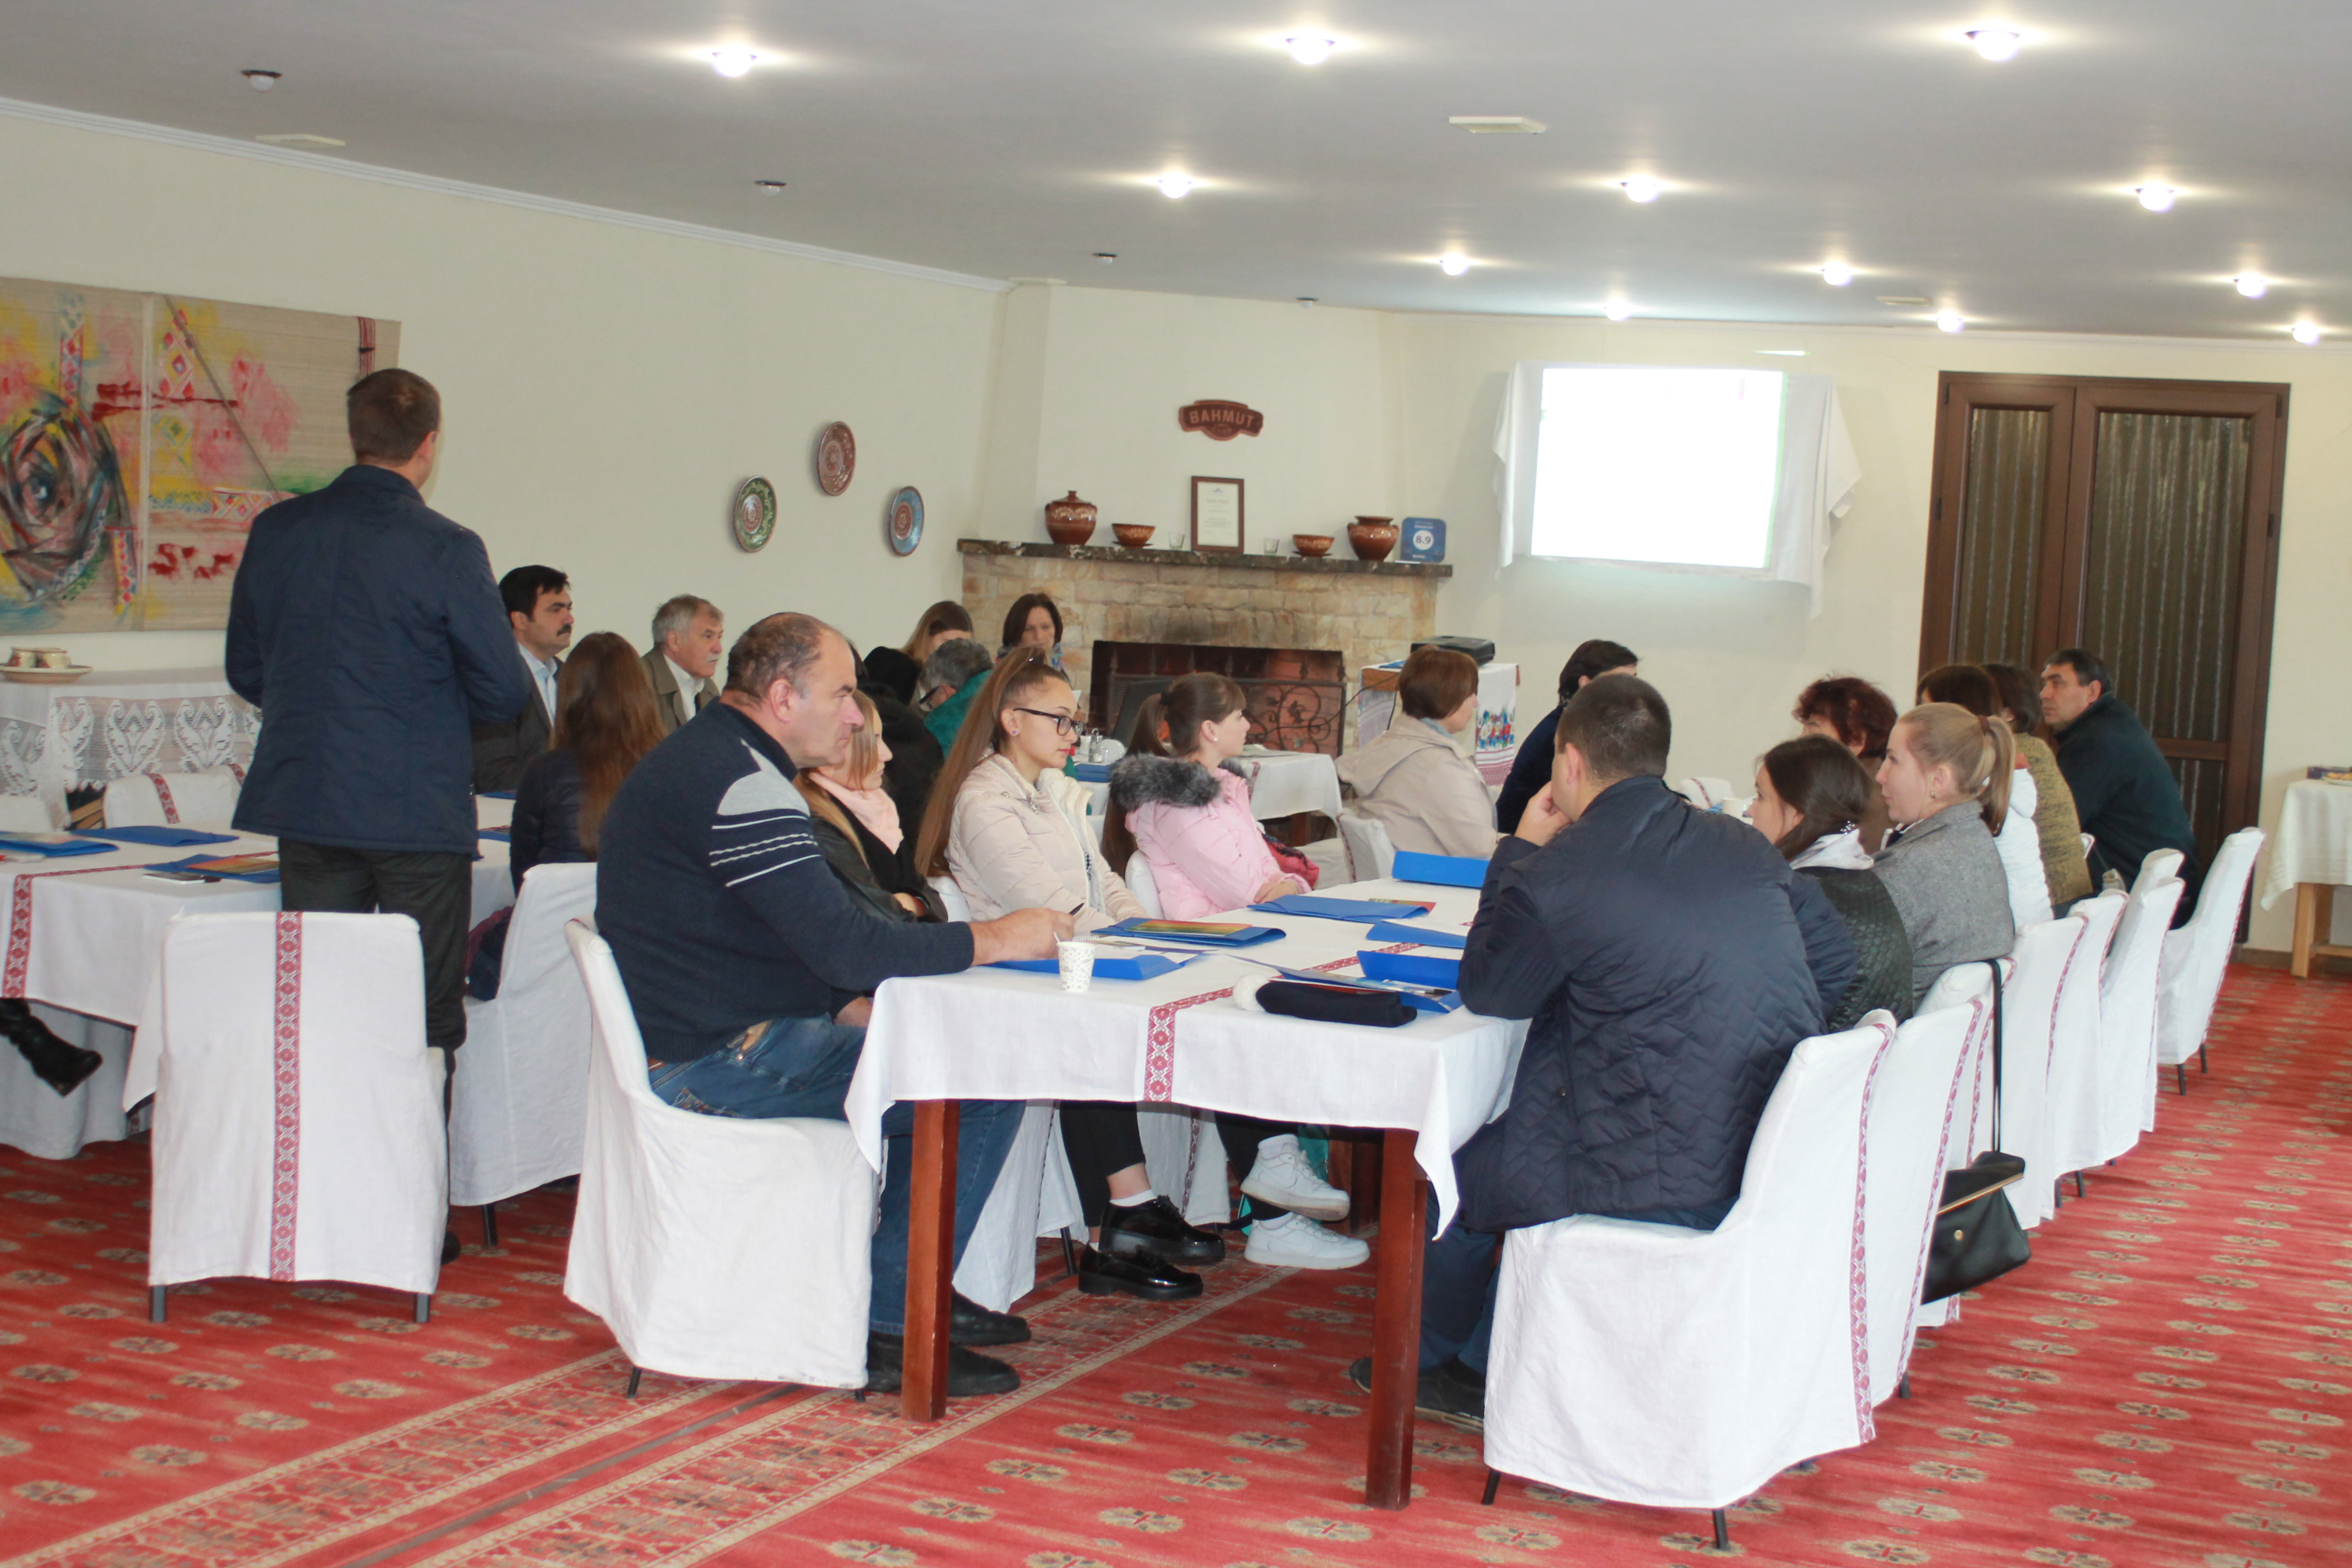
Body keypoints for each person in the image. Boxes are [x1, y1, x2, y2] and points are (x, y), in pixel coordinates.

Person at [1348, 674, 1857, 1428]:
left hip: (1652, 1156)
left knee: (1447, 1177)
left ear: (1571, 762)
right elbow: (1837, 962)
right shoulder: (1740, 842)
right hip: (1764, 1132)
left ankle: (1433, 1364)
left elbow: (1492, 989)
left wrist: (1518, 848)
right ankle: (1493, 1349)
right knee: (1516, 1138)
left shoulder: (1564, 866)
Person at [596, 613, 1069, 1398]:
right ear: (784, 697)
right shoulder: (744, 783)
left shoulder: (714, 757)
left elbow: (777, 935)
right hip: (712, 1060)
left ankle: (910, 1288)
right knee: (981, 1081)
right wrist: (999, 937)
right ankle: (891, 1319)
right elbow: (850, 948)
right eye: (843, 694)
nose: (856, 715)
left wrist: (843, 1003)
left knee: (953, 1064)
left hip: (710, 1034)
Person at [229, 366, 529, 1064]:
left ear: (354, 437)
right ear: (429, 443)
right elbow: (503, 690)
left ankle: (323, 1134)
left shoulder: (277, 530)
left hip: (309, 798)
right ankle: (415, 1139)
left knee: (320, 1003)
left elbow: (246, 669)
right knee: (419, 1015)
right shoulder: (447, 545)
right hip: (413, 807)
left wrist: (321, 708)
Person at [917, 652, 1227, 1303]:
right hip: (1012, 976)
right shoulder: (983, 801)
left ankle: (1117, 1229)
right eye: (1059, 719)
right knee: (1095, 1025)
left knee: (1119, 1006)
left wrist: (1151, 930)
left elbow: (1102, 881)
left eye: (1075, 721)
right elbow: (1048, 908)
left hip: (1064, 966)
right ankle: (1126, 1212)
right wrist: (1134, 943)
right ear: (1011, 720)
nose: (1072, 734)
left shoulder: (1050, 792)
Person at [1102, 673, 1366, 1271]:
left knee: (1327, 983)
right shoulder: (1177, 804)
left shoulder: (1223, 789)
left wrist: (1286, 885)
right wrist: (1283, 886)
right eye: (1240, 716)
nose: (1251, 725)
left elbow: (1273, 876)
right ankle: (1275, 1192)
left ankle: (1278, 1181)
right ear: (1209, 729)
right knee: (1272, 1005)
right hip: (1204, 953)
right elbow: (1246, 890)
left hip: (1241, 939)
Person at [466, 633, 666, 999]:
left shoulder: (545, 772)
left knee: (468, 942)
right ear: (642, 693)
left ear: (570, 695)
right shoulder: (672, 770)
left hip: (548, 954)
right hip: (644, 961)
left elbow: (526, 881)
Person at [1750, 737, 1914, 1030]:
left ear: (1796, 814)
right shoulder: (1866, 877)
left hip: (1818, 1052)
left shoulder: (1796, 901)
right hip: (1871, 1054)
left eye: (1760, 797)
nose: (1750, 811)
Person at [1872, 703, 2019, 1004]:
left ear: (1938, 780)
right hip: (1962, 1032)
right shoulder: (1977, 839)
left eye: (1893, 760)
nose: (1880, 775)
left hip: (1899, 1028)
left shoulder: (1904, 869)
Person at [2041, 648, 2202, 921]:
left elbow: (2055, 827)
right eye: (2045, 684)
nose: (2044, 694)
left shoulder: (2097, 741)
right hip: (2166, 891)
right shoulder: (2112, 725)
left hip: (2141, 898)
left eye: (2057, 684)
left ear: (2092, 692)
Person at [1335, 645, 1503, 859]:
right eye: (1471, 694)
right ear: (1449, 698)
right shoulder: (1440, 766)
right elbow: (1481, 850)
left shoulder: (1387, 743)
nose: (1476, 703)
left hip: (1398, 871)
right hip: (1435, 876)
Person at [1918, 665, 2052, 932]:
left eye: (1926, 711)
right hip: (2029, 931)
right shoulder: (2003, 777)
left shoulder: (1970, 790)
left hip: (2001, 939)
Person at [799, 692, 941, 924]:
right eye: (871, 742)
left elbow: (934, 902)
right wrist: (915, 904)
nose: (887, 754)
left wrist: (912, 903)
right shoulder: (819, 826)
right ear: (828, 752)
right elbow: (879, 917)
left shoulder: (878, 806)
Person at [1983, 661, 2095, 910]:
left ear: (2008, 713)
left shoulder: (2007, 755)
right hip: (2070, 897)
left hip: (2049, 904)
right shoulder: (2035, 747)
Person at [1494, 639, 1637, 834]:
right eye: (1620, 682)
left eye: (1634, 680)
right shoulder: (1560, 733)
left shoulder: (1592, 725)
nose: (1632, 691)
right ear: (1586, 684)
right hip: (1523, 838)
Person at [471, 565, 574, 792]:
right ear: (520, 619)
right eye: (555, 610)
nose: (569, 619)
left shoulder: (570, 676)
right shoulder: (495, 681)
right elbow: (494, 776)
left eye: (568, 608)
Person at [1793, 674, 1901, 852]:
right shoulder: (1844, 784)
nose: (1801, 739)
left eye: (1813, 728)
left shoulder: (1864, 798)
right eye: (1804, 729)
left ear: (1855, 741)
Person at [643, 595, 724, 735]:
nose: (718, 648)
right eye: (708, 636)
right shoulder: (639, 683)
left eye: (719, 637)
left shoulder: (709, 689)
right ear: (675, 641)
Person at [920, 636, 1000, 752]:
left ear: (945, 692)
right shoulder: (1013, 694)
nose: (931, 706)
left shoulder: (939, 729)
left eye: (931, 698)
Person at [999, 592, 1067, 671]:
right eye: (1028, 629)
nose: (1039, 636)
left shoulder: (1057, 667)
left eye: (1046, 627)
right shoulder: (1005, 673)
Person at [901, 600, 976, 664]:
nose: (956, 653)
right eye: (949, 643)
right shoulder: (899, 667)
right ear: (927, 637)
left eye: (964, 646)